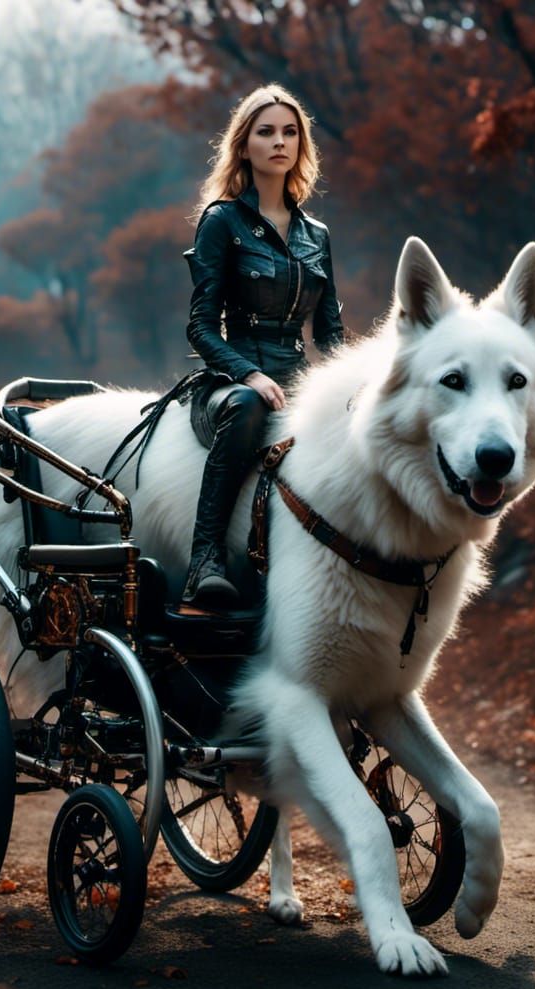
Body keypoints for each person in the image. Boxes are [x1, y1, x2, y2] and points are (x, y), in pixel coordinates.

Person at [181, 84, 344, 610]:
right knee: (250, 407)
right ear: (244, 145)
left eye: (290, 132)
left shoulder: (316, 234)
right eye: (266, 131)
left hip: (298, 383)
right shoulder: (221, 221)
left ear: (302, 145)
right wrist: (248, 374)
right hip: (232, 386)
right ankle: (204, 558)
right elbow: (201, 328)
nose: (280, 142)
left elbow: (331, 336)